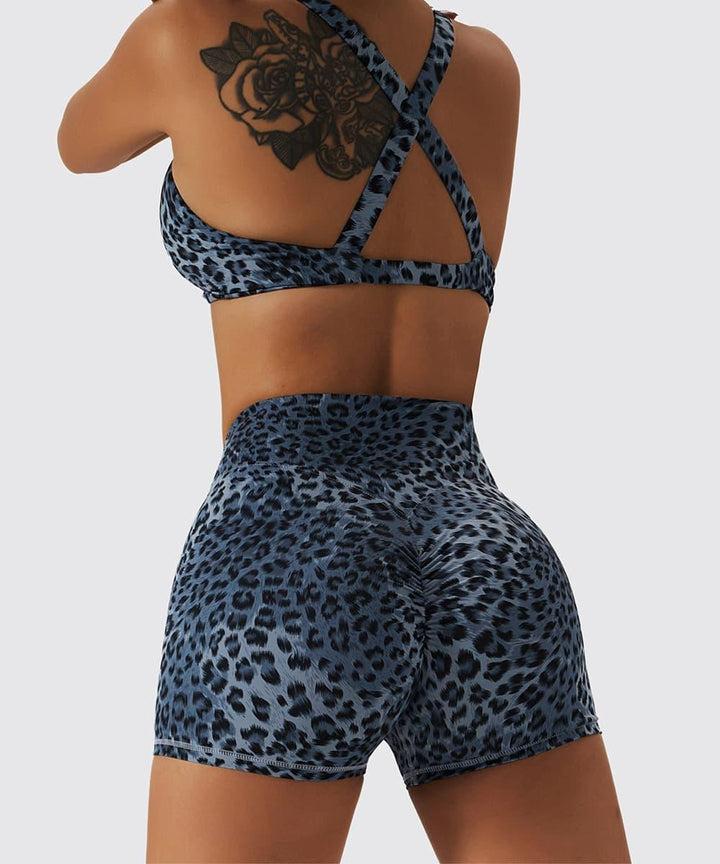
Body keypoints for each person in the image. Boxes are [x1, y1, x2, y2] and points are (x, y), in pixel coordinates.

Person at [58, 1, 630, 861]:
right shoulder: (488, 66)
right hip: (486, 549)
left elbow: (77, 143)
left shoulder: (186, 26)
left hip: (282, 547)